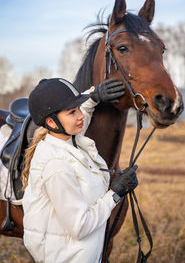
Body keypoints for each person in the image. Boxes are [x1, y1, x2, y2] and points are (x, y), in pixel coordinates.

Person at [22, 77, 138, 263]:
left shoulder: (70, 141)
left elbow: (78, 111)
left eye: (78, 109)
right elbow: (80, 226)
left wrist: (93, 95)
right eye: (72, 112)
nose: (80, 115)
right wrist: (115, 193)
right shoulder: (56, 166)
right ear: (52, 123)